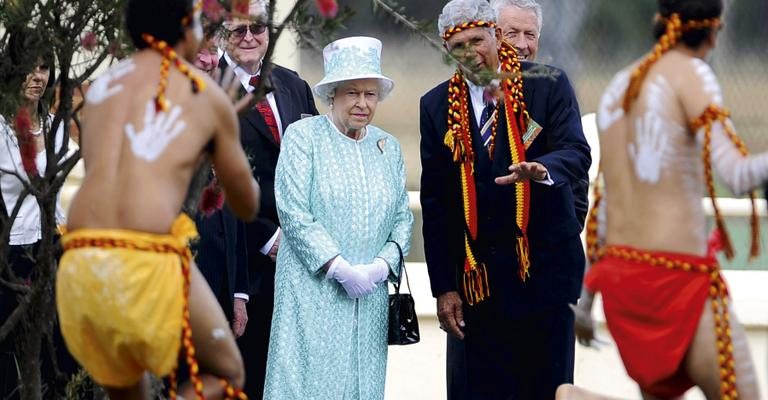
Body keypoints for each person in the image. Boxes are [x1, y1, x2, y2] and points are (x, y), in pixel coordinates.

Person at [54, 0, 260, 398]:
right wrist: (223, 129)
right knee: (229, 372)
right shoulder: (204, 93)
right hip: (142, 254)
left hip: (79, 259)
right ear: (186, 28)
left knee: (127, 389)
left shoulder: (100, 92)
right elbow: (247, 204)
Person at [567, 0, 765, 399]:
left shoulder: (619, 87)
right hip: (676, 280)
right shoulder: (691, 73)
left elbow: (605, 204)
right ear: (714, 30)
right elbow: (738, 175)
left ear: (660, 22)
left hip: (623, 287)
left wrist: (588, 300)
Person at [420, 0, 591, 398]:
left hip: (544, 279)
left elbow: (577, 153)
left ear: (496, 35)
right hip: (477, 289)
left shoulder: (547, 83)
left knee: (547, 392)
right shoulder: (435, 106)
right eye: (458, 46)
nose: (471, 53)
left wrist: (542, 169)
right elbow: (437, 204)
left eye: (478, 40)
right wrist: (444, 288)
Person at [263, 36, 413, 400]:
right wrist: (339, 268)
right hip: (312, 294)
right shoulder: (304, 137)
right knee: (306, 386)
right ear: (332, 94)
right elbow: (294, 212)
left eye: (370, 94)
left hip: (371, 298)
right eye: (352, 93)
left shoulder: (387, 146)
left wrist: (380, 267)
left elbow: (402, 218)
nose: (362, 103)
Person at [217, 1, 319, 397]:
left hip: (297, 260)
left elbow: (315, 166)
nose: (248, 38)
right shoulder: (209, 87)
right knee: (246, 375)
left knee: (292, 377)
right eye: (237, 31)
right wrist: (266, 236)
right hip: (240, 257)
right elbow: (213, 183)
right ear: (222, 34)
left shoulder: (293, 84)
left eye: (257, 30)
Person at [0, 34, 75, 400]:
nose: (36, 75)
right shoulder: (0, 129)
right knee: (7, 365)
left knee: (53, 359)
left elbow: (66, 193)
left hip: (50, 251)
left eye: (44, 67)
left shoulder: (56, 127)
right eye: (28, 66)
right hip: (8, 257)